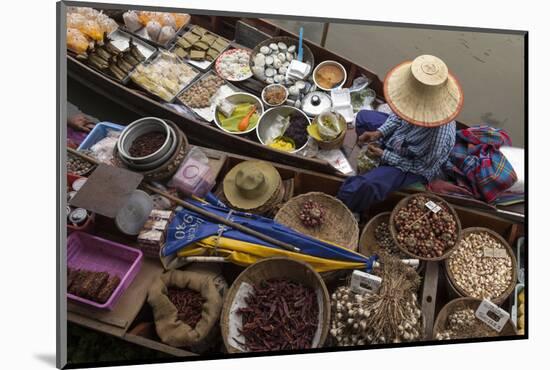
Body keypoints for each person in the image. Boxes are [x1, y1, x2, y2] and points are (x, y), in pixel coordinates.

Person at [337, 55, 464, 213]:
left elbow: (419, 166)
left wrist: (385, 155)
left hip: (413, 167)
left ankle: (346, 207)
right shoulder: (410, 101)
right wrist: (378, 133)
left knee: (365, 186)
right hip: (400, 139)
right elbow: (398, 117)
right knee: (363, 118)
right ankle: (376, 161)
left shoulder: (438, 136)